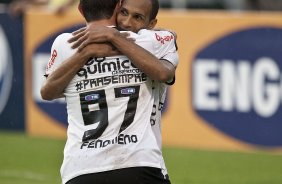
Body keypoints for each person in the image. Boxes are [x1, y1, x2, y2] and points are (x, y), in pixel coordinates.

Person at [40, 0, 178, 184]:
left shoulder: (66, 44)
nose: (128, 22)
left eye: (137, 17)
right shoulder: (150, 41)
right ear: (117, 8)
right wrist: (91, 49)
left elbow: (48, 92)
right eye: (125, 13)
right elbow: (165, 64)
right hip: (139, 163)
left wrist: (94, 47)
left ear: (79, 9)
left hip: (81, 169)